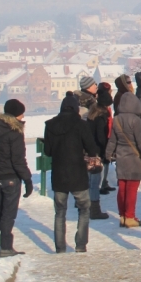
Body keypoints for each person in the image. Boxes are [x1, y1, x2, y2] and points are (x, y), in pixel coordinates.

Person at [44, 93, 100, 253]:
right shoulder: (81, 124)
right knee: (84, 208)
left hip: (59, 175)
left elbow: (47, 151)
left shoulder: (50, 125)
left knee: (60, 212)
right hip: (78, 174)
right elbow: (92, 149)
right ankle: (81, 244)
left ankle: (60, 248)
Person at [0, 99, 33, 257]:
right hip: (10, 178)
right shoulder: (14, 132)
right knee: (8, 212)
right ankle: (6, 247)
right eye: (21, 114)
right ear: (15, 115)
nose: (23, 117)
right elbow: (18, 160)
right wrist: (27, 179)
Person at [106, 91, 141, 228]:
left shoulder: (117, 119)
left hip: (121, 156)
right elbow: (140, 142)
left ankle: (123, 216)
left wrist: (108, 154)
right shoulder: (136, 120)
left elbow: (112, 140)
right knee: (132, 188)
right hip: (134, 158)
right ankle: (130, 216)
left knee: (122, 188)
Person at [85, 89, 111, 220]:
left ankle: (85, 206)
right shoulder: (101, 118)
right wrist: (106, 151)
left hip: (88, 151)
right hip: (96, 152)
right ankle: (94, 210)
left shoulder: (91, 115)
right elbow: (101, 137)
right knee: (95, 182)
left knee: (89, 181)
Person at [97, 83, 116, 195]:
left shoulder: (106, 106)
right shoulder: (101, 107)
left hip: (108, 134)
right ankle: (101, 184)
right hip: (105, 136)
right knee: (103, 160)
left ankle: (104, 182)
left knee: (106, 160)